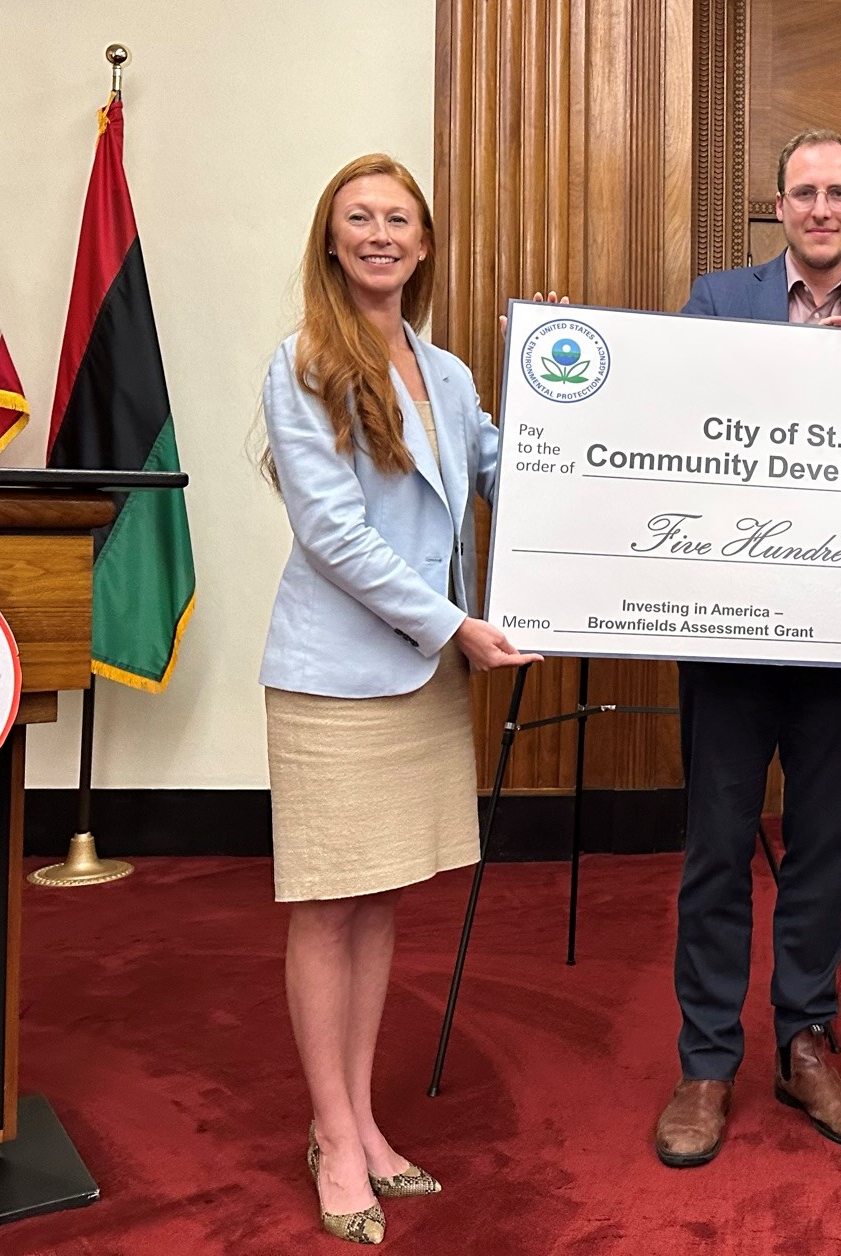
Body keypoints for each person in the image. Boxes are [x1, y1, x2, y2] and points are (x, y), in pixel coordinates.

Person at [259, 153, 542, 1244]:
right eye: (358, 218)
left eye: (399, 219)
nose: (380, 234)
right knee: (328, 903)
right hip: (340, 670)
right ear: (332, 242)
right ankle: (333, 1134)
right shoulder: (302, 364)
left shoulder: (454, 372)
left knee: (379, 899)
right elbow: (332, 533)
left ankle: (363, 1116)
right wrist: (453, 625)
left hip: (421, 671)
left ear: (424, 245)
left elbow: (512, 474)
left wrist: (577, 391)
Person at [652, 129, 841, 1168]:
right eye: (803, 192)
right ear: (778, 207)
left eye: (839, 192)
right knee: (717, 848)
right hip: (728, 629)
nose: (821, 207)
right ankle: (706, 1061)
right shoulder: (716, 304)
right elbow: (676, 428)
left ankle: (807, 1043)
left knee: (823, 848)